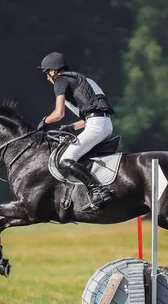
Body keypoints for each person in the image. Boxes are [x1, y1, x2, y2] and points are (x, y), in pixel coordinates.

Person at [37, 52, 115, 210]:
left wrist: (44, 121)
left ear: (53, 71)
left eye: (47, 74)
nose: (47, 78)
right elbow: (93, 113)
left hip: (96, 126)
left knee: (65, 160)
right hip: (105, 124)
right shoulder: (85, 80)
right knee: (79, 157)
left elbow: (59, 114)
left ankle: (98, 191)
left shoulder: (60, 80)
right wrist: (72, 127)